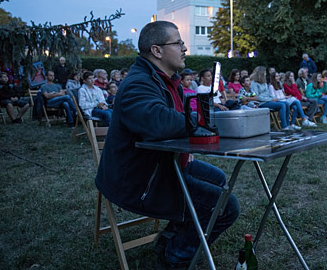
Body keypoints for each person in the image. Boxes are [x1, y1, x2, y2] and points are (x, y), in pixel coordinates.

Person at [95, 21, 239, 269]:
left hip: (163, 163)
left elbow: (174, 124)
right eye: (178, 42)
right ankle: (175, 256)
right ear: (157, 51)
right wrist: (199, 122)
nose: (184, 48)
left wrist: (187, 147)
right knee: (225, 206)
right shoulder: (138, 84)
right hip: (139, 179)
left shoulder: (167, 81)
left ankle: (172, 238)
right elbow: (158, 122)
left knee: (219, 178)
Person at [250, 66, 291, 130]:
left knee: (286, 103)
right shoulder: (254, 83)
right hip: (261, 103)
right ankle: (284, 126)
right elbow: (257, 96)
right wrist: (270, 99)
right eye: (264, 72)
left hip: (269, 100)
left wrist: (274, 98)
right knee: (282, 105)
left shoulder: (264, 82)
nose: (266, 74)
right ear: (260, 73)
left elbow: (268, 94)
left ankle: (288, 124)